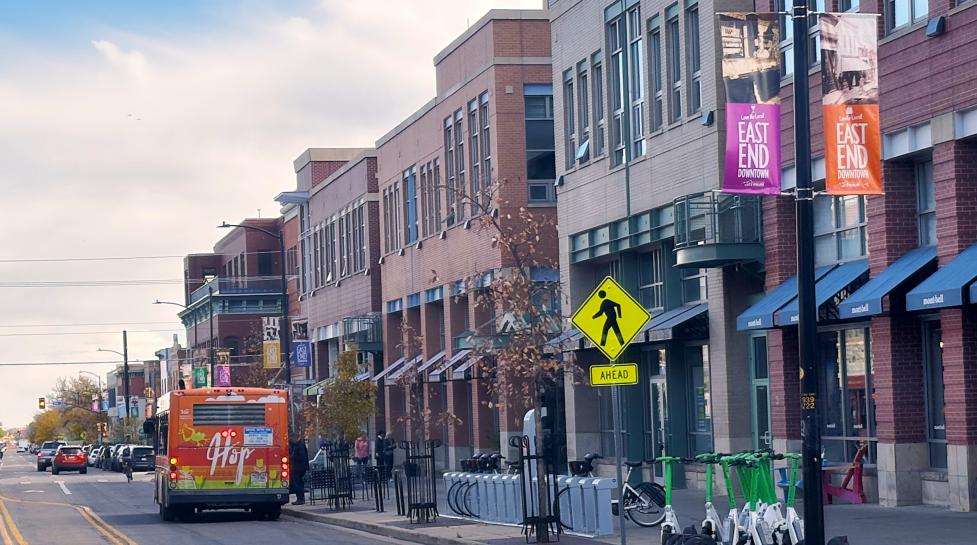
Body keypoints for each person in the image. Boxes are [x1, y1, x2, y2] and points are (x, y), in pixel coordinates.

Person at [288, 437, 310, 505]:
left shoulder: (299, 445)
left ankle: (300, 499)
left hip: (299, 468)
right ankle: (300, 498)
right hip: (299, 467)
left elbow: (300, 457)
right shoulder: (297, 445)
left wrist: (291, 457)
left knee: (298, 483)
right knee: (298, 483)